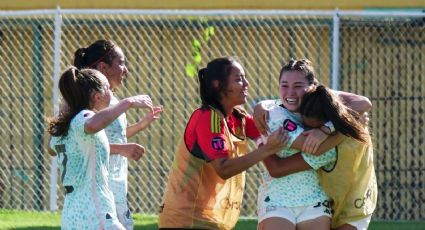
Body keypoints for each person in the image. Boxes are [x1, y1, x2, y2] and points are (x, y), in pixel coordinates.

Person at [158, 57, 289, 230]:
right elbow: (224, 169)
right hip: (187, 220)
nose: (246, 83)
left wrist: (263, 107)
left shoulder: (238, 117)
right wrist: (267, 149)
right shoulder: (207, 118)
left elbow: (267, 131)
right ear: (217, 85)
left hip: (213, 222)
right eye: (238, 79)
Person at [254, 59, 376, 230]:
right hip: (277, 201)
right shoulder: (274, 115)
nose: (290, 92)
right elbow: (316, 149)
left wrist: (327, 129)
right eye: (284, 85)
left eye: (298, 86)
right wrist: (346, 128)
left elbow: (364, 103)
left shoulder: (328, 109)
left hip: (333, 200)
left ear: (313, 87)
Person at [48, 67, 153, 229]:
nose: (112, 92)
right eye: (108, 88)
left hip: (71, 214)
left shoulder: (64, 127)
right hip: (94, 210)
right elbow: (92, 124)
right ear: (97, 96)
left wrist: (121, 148)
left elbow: (52, 148)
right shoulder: (84, 117)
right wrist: (128, 102)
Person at [73, 39, 163, 229]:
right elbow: (86, 144)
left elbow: (110, 139)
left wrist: (140, 125)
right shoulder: (91, 103)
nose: (126, 70)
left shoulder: (111, 99)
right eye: (121, 63)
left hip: (116, 186)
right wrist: (123, 149)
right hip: (97, 188)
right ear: (103, 67)